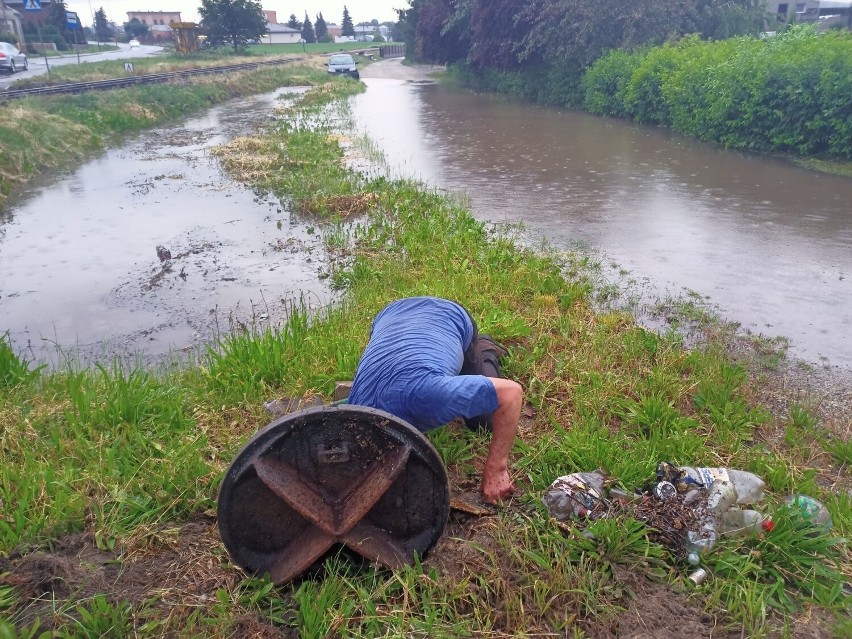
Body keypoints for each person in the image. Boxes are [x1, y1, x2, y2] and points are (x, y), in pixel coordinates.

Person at [348, 297, 522, 503]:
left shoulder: (427, 397)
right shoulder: (355, 407)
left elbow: (511, 394)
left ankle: (485, 349)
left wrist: (497, 468)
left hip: (450, 316)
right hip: (390, 315)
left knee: (483, 422)